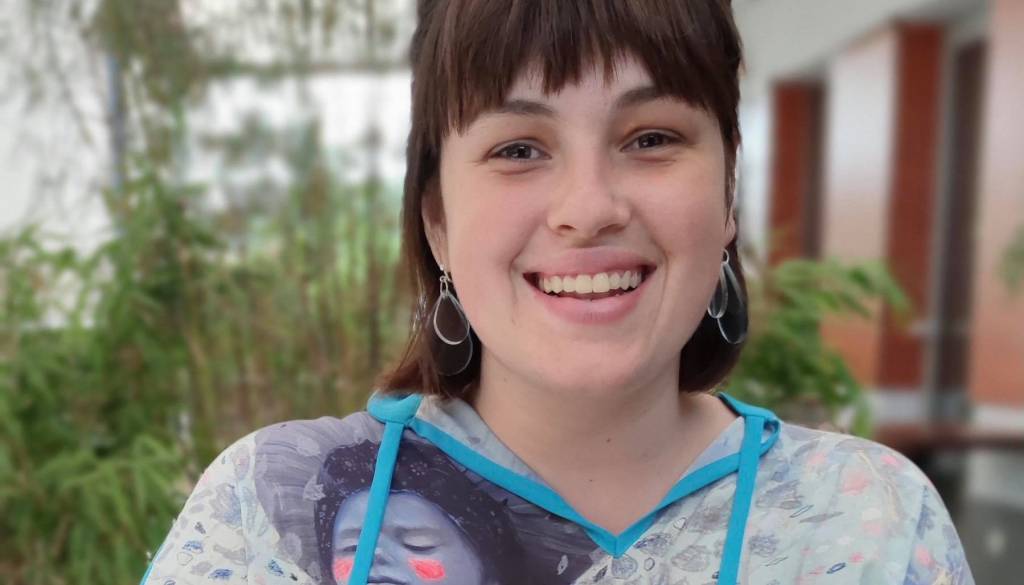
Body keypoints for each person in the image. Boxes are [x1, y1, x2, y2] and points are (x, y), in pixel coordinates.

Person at [141, 1, 975, 584]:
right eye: (518, 149)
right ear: (437, 220)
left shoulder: (868, 521)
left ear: (728, 197)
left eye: (651, 137)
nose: (589, 208)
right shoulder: (274, 512)